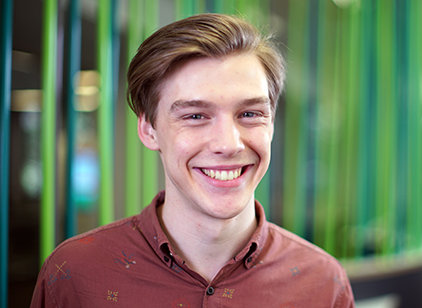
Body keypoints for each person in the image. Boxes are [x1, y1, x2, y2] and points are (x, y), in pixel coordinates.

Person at [30, 13, 354, 307]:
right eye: (196, 115)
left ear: (271, 124)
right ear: (149, 130)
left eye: (250, 114)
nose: (229, 144)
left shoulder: (323, 283)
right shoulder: (74, 275)